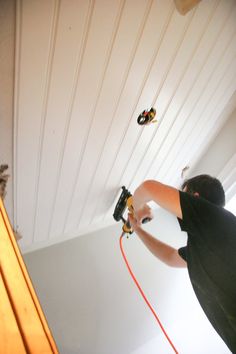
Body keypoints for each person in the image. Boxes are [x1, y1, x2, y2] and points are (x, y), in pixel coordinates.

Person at [128, 174, 236, 353]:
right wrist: (138, 230)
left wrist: (137, 208)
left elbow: (148, 187)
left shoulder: (218, 220)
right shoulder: (200, 247)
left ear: (195, 199)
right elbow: (170, 257)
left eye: (182, 194)